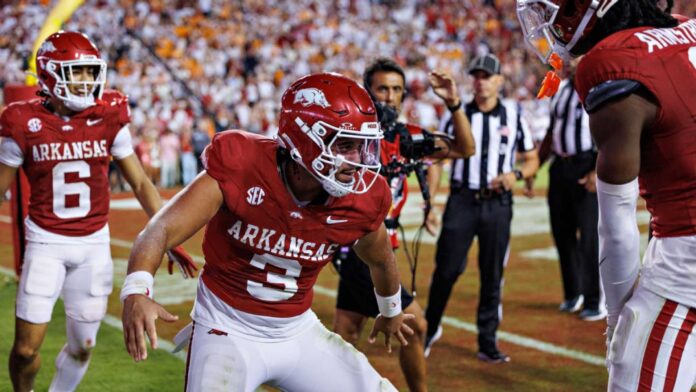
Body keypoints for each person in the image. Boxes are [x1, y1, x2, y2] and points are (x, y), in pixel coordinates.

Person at [121, 72, 415, 392]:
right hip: (226, 329)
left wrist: (390, 311)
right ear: (304, 138)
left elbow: (382, 259)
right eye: (344, 145)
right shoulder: (243, 164)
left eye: (361, 146)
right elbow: (160, 228)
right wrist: (137, 290)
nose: (356, 161)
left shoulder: (363, 197)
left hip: (297, 331)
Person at [0, 31, 196, 392]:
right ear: (49, 74)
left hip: (93, 246)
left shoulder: (109, 115)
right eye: (77, 72)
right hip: (46, 242)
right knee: (26, 350)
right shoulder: (21, 121)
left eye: (91, 72)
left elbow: (139, 183)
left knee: (83, 347)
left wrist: (170, 236)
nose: (87, 81)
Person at [518, 0, 696, 390]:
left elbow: (617, 224)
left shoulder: (613, 64)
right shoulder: (682, 27)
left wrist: (617, 320)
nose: (548, 21)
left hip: (687, 257)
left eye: (556, 8)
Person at [330, 57, 475, 392]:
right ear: (367, 93)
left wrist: (453, 103)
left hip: (383, 247)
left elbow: (465, 148)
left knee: (346, 330)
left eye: (397, 89)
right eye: (382, 88)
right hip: (355, 248)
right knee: (416, 325)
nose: (390, 96)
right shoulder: (350, 137)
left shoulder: (406, 138)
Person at [424, 53, 539, 363]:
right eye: (476, 75)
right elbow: (438, 158)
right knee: (446, 269)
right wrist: (430, 201)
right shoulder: (456, 114)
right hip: (462, 201)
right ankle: (429, 328)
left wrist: (514, 176)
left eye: (487, 76)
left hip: (497, 205)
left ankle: (487, 341)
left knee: (492, 274)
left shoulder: (513, 116)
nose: (480, 81)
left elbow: (531, 159)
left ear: (500, 80)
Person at [531, 58, 605, 321]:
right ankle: (573, 293)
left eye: (578, 56)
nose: (571, 62)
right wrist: (534, 167)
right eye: (570, 57)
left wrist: (598, 170)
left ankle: (595, 299)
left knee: (589, 238)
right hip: (560, 168)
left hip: (586, 165)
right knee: (562, 234)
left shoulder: (599, 88)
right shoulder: (560, 90)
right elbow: (552, 132)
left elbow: (610, 133)